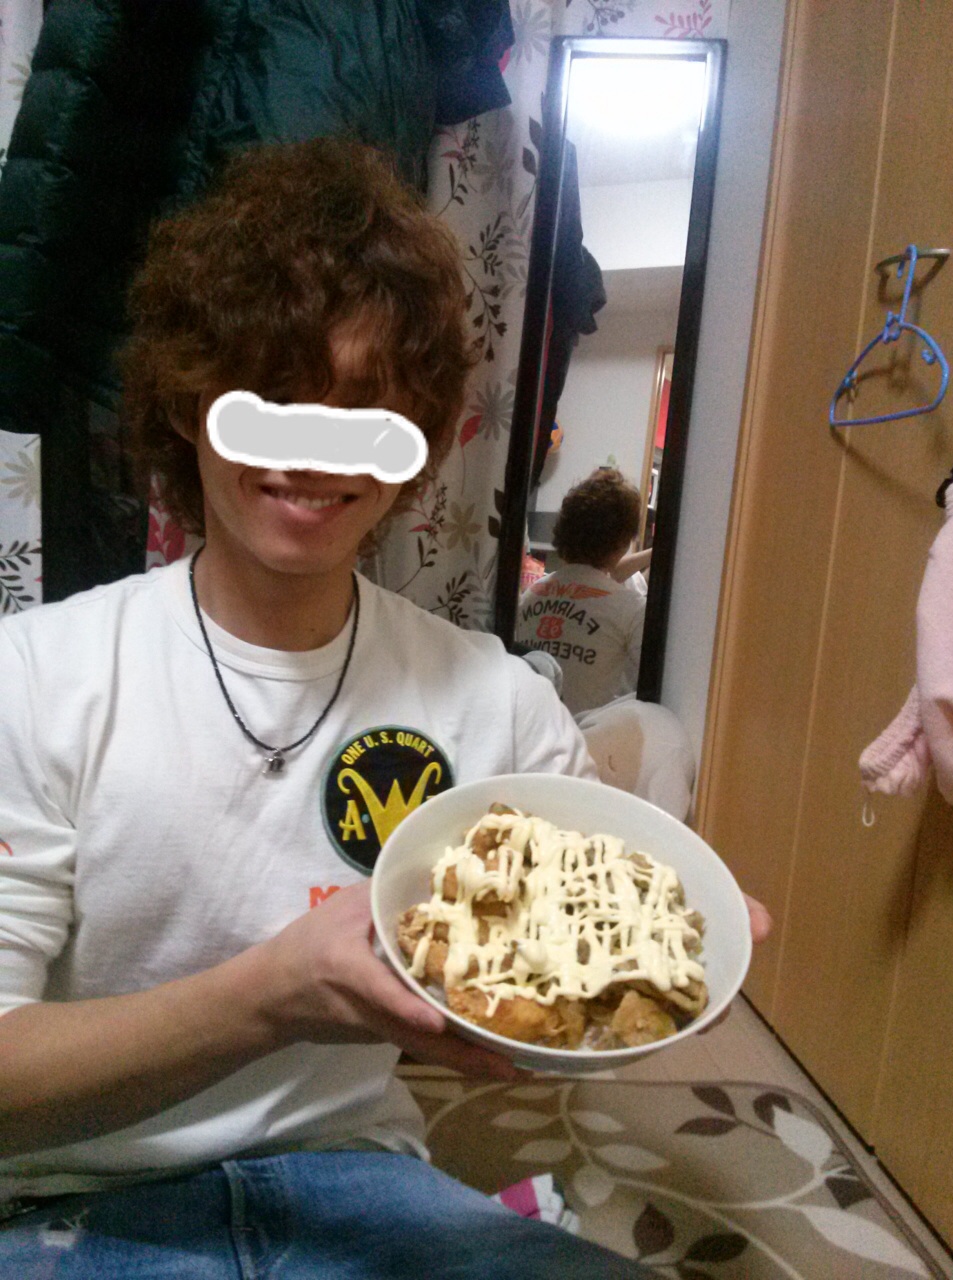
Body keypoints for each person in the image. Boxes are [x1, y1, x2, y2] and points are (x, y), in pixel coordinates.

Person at [0, 139, 769, 1278]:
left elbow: (583, 928)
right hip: (76, 1196)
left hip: (359, 1174)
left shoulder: (498, 702)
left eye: (362, 411)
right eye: (268, 399)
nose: (311, 453)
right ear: (187, 405)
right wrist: (271, 997)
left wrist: (670, 943)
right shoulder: (36, 674)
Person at [516, 468, 648, 716]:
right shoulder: (632, 610)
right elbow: (648, 693)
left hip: (526, 728)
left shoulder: (529, 596)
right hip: (584, 736)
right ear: (623, 543)